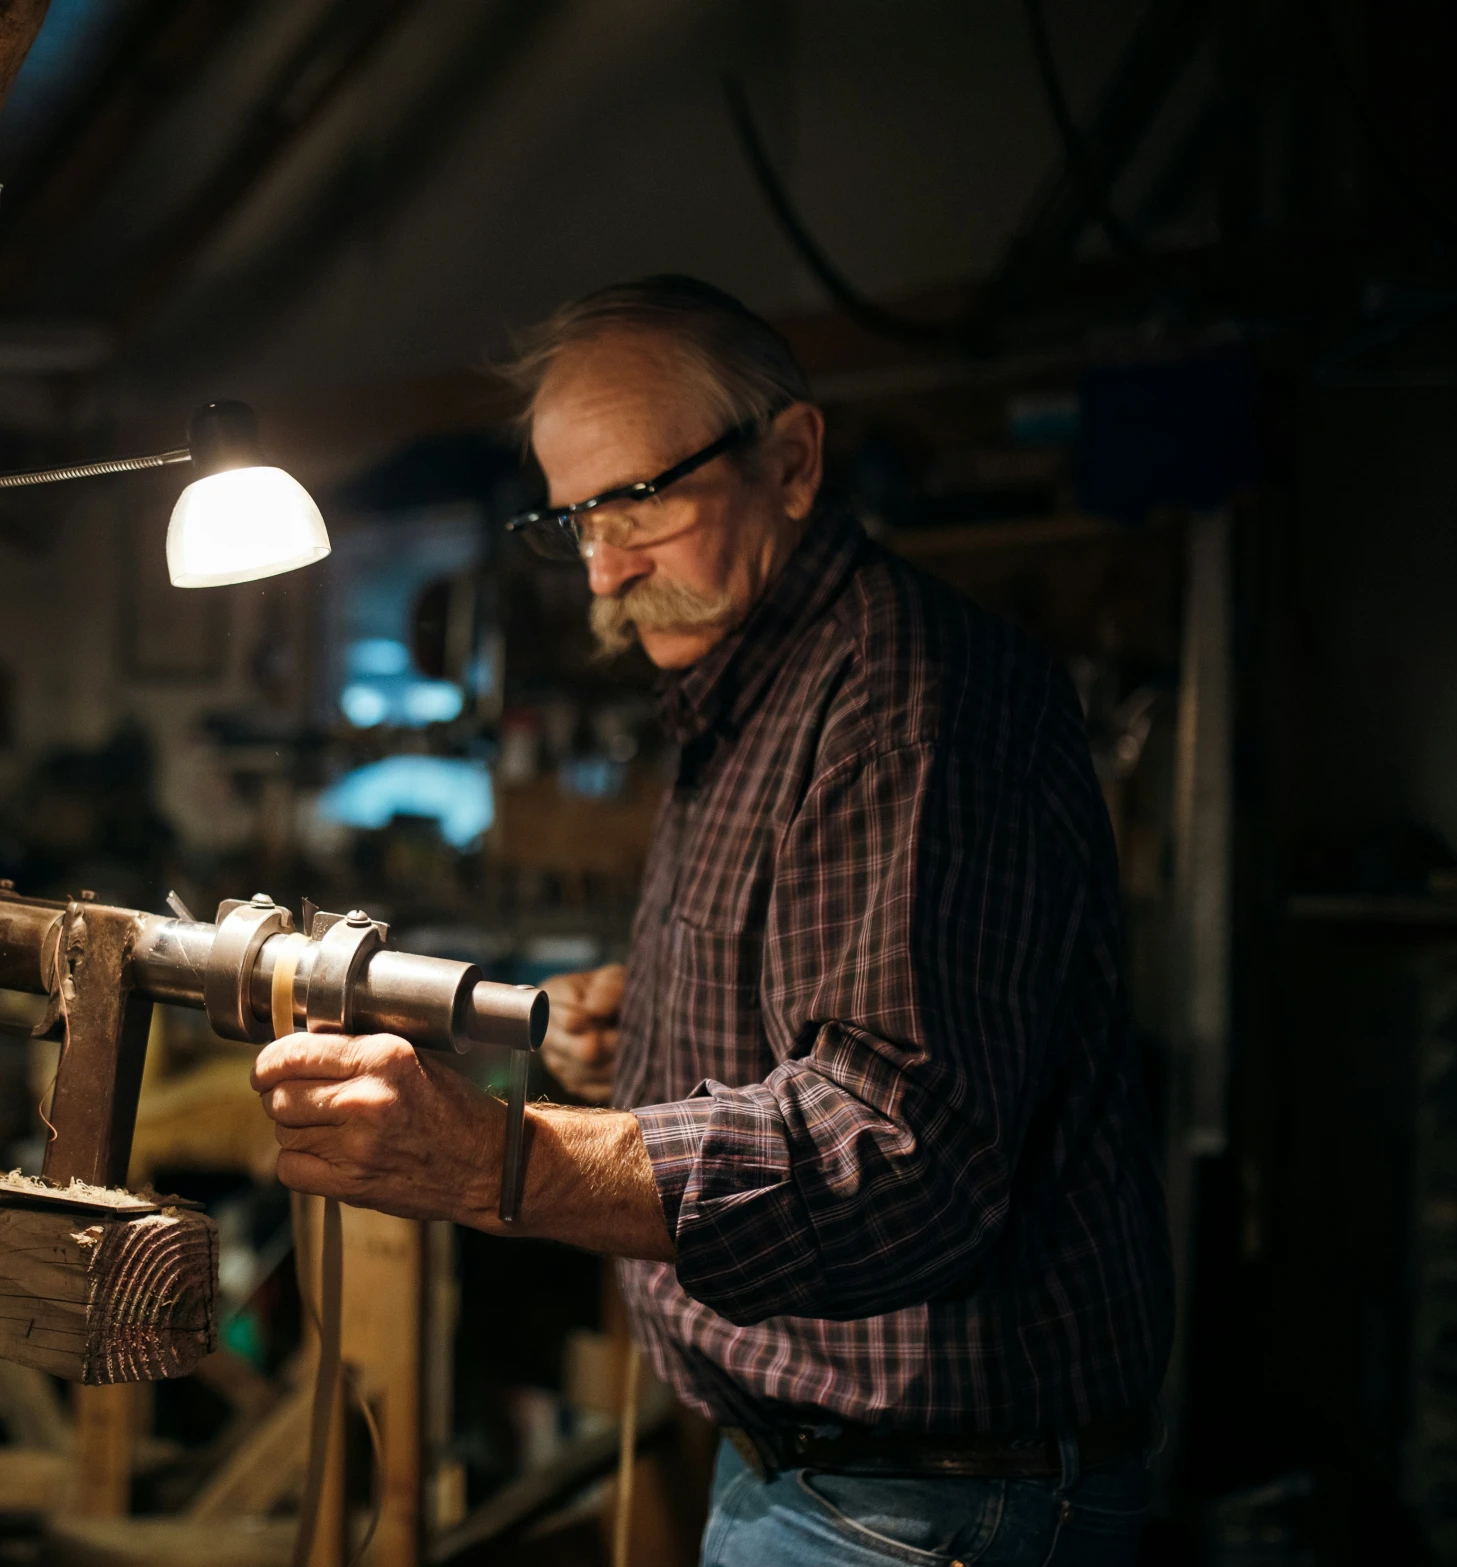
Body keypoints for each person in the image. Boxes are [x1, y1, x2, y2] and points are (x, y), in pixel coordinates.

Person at [252, 276, 1174, 1565]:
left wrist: (497, 1161)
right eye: (573, 521)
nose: (606, 568)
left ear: (791, 461)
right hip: (820, 1483)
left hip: (930, 1507)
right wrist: (630, 1035)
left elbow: (900, 1151)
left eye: (641, 500)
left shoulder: (900, 705)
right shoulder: (753, 691)